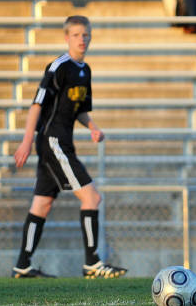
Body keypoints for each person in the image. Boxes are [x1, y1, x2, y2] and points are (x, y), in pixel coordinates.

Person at [12, 15, 127, 279]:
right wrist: (26, 141)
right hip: (52, 141)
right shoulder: (58, 67)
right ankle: (92, 263)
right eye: (76, 35)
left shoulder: (85, 71)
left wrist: (93, 127)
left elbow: (79, 110)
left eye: (85, 34)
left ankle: (22, 265)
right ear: (67, 38)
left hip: (63, 142)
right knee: (91, 197)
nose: (81, 39)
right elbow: (37, 105)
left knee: (42, 204)